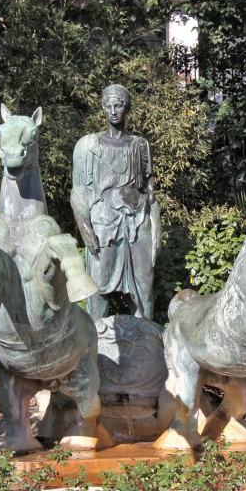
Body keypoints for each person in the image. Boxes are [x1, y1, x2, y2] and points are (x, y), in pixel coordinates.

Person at [70, 84, 160, 320]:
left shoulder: (140, 145)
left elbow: (150, 193)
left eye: (118, 105)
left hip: (138, 221)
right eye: (108, 106)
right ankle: (96, 344)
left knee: (144, 286)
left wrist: (156, 232)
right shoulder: (87, 145)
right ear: (102, 108)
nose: (113, 111)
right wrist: (84, 225)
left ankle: (145, 341)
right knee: (97, 285)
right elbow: (78, 191)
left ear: (127, 107)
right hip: (103, 222)